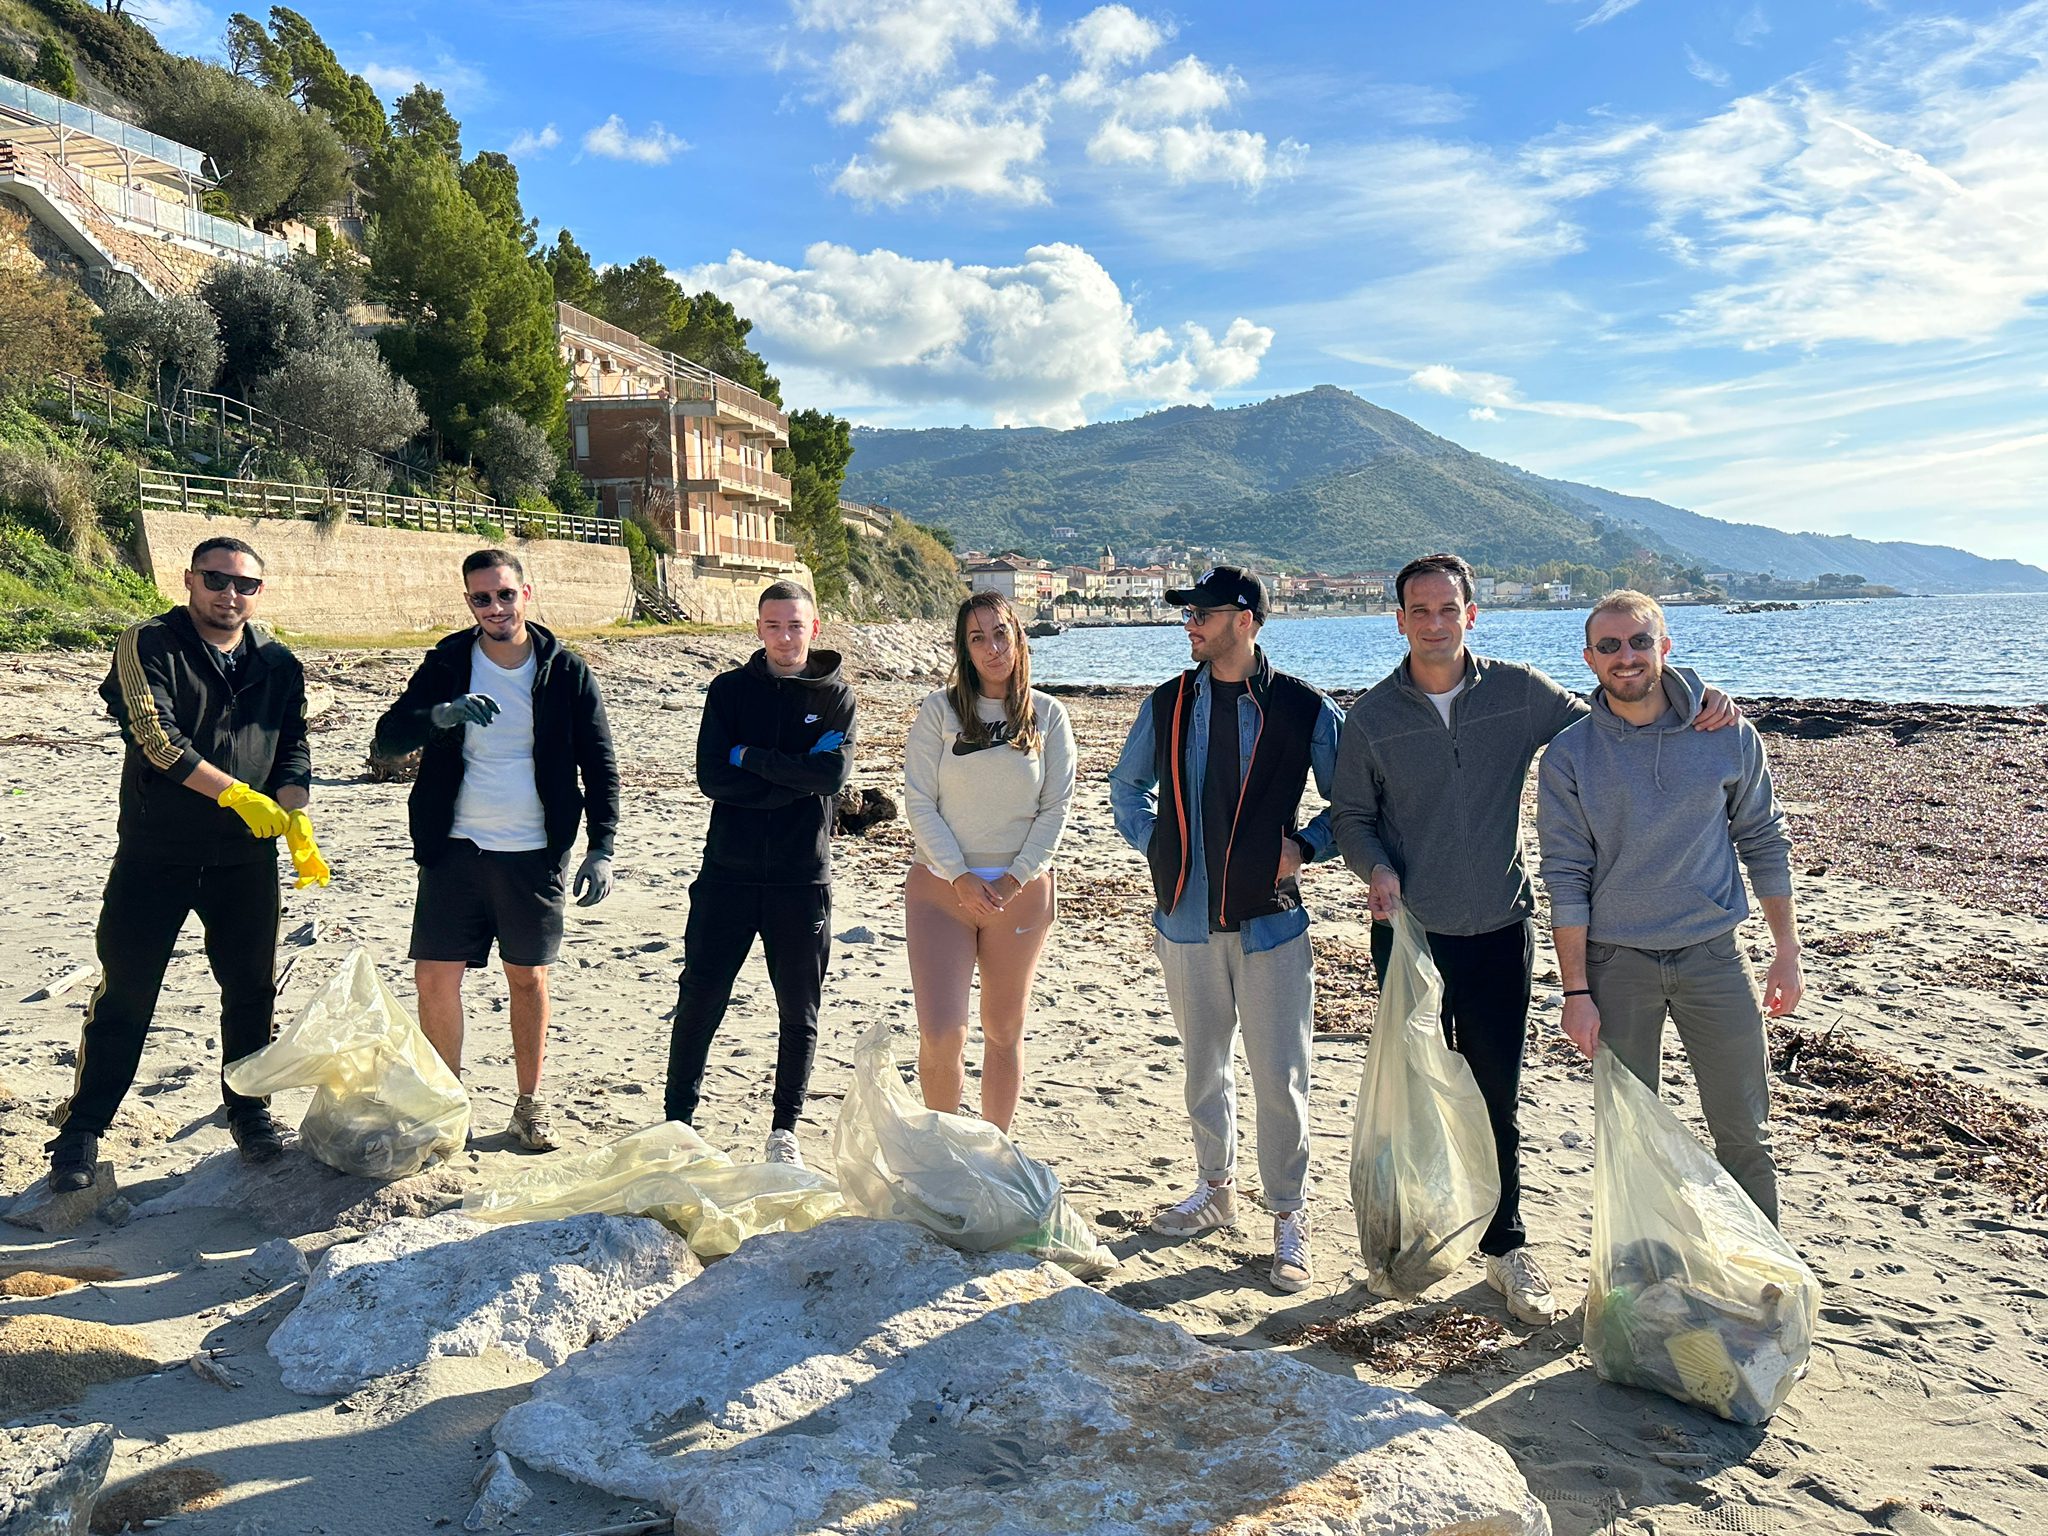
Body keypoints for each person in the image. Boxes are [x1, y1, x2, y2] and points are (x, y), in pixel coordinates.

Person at [1331, 552, 1741, 1323]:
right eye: (1419, 610)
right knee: (1410, 1087)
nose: (1434, 623)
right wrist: (1376, 868)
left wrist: (1693, 693)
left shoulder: (1518, 693)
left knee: (1495, 1092)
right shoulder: (1373, 717)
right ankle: (1407, 1231)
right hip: (1409, 935)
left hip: (1497, 929)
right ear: (1400, 621)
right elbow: (1352, 815)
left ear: (1471, 615)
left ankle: (1505, 1246)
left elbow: (1615, 717)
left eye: (1448, 608)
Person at [46, 537, 327, 1192]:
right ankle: (83, 1129)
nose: (230, 594)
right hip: (157, 853)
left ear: (260, 592)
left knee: (251, 990)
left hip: (244, 859)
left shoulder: (278, 662)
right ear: (189, 579)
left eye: (245, 585)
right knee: (128, 989)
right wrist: (231, 792)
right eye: (216, 579)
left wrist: (297, 816)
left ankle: (249, 1111)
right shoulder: (149, 643)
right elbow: (153, 734)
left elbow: (293, 747)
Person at [1108, 566, 1345, 1294]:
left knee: (1281, 1079)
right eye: (1190, 615)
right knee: (1203, 1069)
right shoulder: (1170, 701)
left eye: (1203, 615)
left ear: (1245, 619)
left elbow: (1360, 803)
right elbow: (1126, 786)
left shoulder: (1305, 708)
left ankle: (1288, 1218)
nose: (1191, 626)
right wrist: (1158, 845)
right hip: (1183, 921)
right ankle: (1215, 1192)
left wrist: (1306, 846)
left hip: (1272, 926)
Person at [1538, 590, 1800, 1224]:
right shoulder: (1570, 755)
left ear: (1665, 648)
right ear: (1589, 658)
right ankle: (1634, 1277)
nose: (1625, 657)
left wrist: (1786, 953)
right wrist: (1576, 992)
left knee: (1745, 1133)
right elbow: (1565, 877)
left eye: (1639, 642)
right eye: (1609, 646)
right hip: (1617, 964)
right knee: (1629, 1136)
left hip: (1714, 958)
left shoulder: (1727, 733)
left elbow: (1764, 839)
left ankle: (1767, 1287)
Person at [373, 549, 618, 1153]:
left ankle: (529, 1105)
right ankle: (444, 1105)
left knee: (528, 977)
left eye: (505, 594)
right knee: (434, 976)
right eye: (481, 598)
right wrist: (443, 714)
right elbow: (388, 738)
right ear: (468, 603)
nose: (495, 608)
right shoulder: (449, 662)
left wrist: (601, 847)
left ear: (526, 595)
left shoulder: (566, 671)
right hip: (453, 846)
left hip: (532, 850)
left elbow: (601, 764)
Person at [665, 580, 856, 1166]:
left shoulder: (835, 697)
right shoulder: (728, 692)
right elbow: (711, 779)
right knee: (700, 997)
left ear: (814, 628)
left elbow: (830, 780)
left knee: (798, 1009)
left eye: (795, 625)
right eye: (773, 626)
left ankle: (784, 1132)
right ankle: (677, 1122)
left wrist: (750, 758)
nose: (785, 636)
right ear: (758, 629)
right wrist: (792, 774)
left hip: (802, 878)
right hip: (727, 872)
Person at [903, 591, 1076, 1132]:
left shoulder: (1049, 716)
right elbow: (919, 802)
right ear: (965, 649)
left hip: (1019, 893)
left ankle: (994, 1155)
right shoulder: (939, 711)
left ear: (1018, 636)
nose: (992, 647)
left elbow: (1056, 810)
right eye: (977, 638)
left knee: (1003, 1030)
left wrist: (1012, 876)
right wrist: (958, 874)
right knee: (941, 1032)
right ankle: (944, 1152)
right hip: (940, 891)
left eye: (1000, 633)